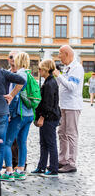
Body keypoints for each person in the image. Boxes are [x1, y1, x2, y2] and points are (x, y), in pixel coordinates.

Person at [2, 52, 34, 182]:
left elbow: (14, 98)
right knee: (22, 142)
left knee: (6, 142)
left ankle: (9, 171)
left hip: (19, 114)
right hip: (29, 114)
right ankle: (20, 170)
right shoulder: (29, 74)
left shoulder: (20, 75)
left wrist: (8, 112)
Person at [52, 45, 84, 173]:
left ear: (67, 54)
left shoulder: (77, 68)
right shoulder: (67, 68)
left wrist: (59, 76)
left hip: (72, 106)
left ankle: (71, 162)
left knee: (71, 134)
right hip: (63, 105)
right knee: (62, 133)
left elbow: (71, 87)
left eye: (60, 55)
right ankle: (62, 160)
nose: (59, 58)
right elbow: (61, 84)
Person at [31, 59, 61, 177]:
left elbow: (47, 104)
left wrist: (42, 117)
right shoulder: (48, 81)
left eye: (40, 69)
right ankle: (41, 167)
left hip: (49, 117)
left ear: (46, 69)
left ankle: (53, 168)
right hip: (49, 116)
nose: (38, 71)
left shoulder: (50, 83)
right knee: (44, 143)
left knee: (50, 143)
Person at [7, 50, 21, 169]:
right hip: (7, 109)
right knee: (9, 138)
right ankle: (10, 163)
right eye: (11, 57)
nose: (13, 59)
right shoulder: (6, 74)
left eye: (15, 57)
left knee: (19, 138)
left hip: (19, 109)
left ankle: (20, 164)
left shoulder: (22, 74)